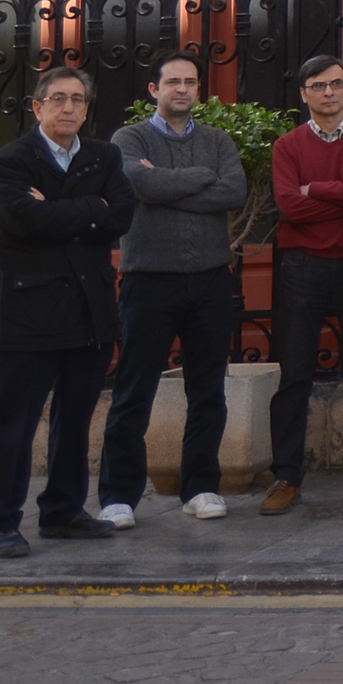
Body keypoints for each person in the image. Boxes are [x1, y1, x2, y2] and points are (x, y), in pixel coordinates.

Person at [0, 66, 137, 557]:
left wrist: (59, 211)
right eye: (58, 98)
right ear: (36, 106)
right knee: (12, 424)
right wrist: (90, 207)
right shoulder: (11, 161)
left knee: (76, 420)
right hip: (29, 311)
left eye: (78, 99)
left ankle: (63, 511)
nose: (69, 107)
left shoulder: (105, 155)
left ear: (87, 108)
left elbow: (120, 216)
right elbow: (23, 220)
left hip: (90, 309)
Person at [97, 51, 247, 528]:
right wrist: (199, 178)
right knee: (133, 391)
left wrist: (165, 185)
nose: (182, 89)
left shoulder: (217, 140)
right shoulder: (129, 138)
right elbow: (139, 184)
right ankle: (118, 496)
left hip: (210, 280)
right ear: (154, 90)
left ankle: (200, 487)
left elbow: (234, 192)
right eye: (173, 82)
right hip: (149, 281)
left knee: (208, 391)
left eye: (191, 82)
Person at [262, 54, 343, 518]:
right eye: (318, 86)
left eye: (337, 83)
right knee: (294, 373)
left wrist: (315, 189)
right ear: (304, 94)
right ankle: (286, 476)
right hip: (303, 268)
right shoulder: (287, 146)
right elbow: (288, 207)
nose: (329, 93)